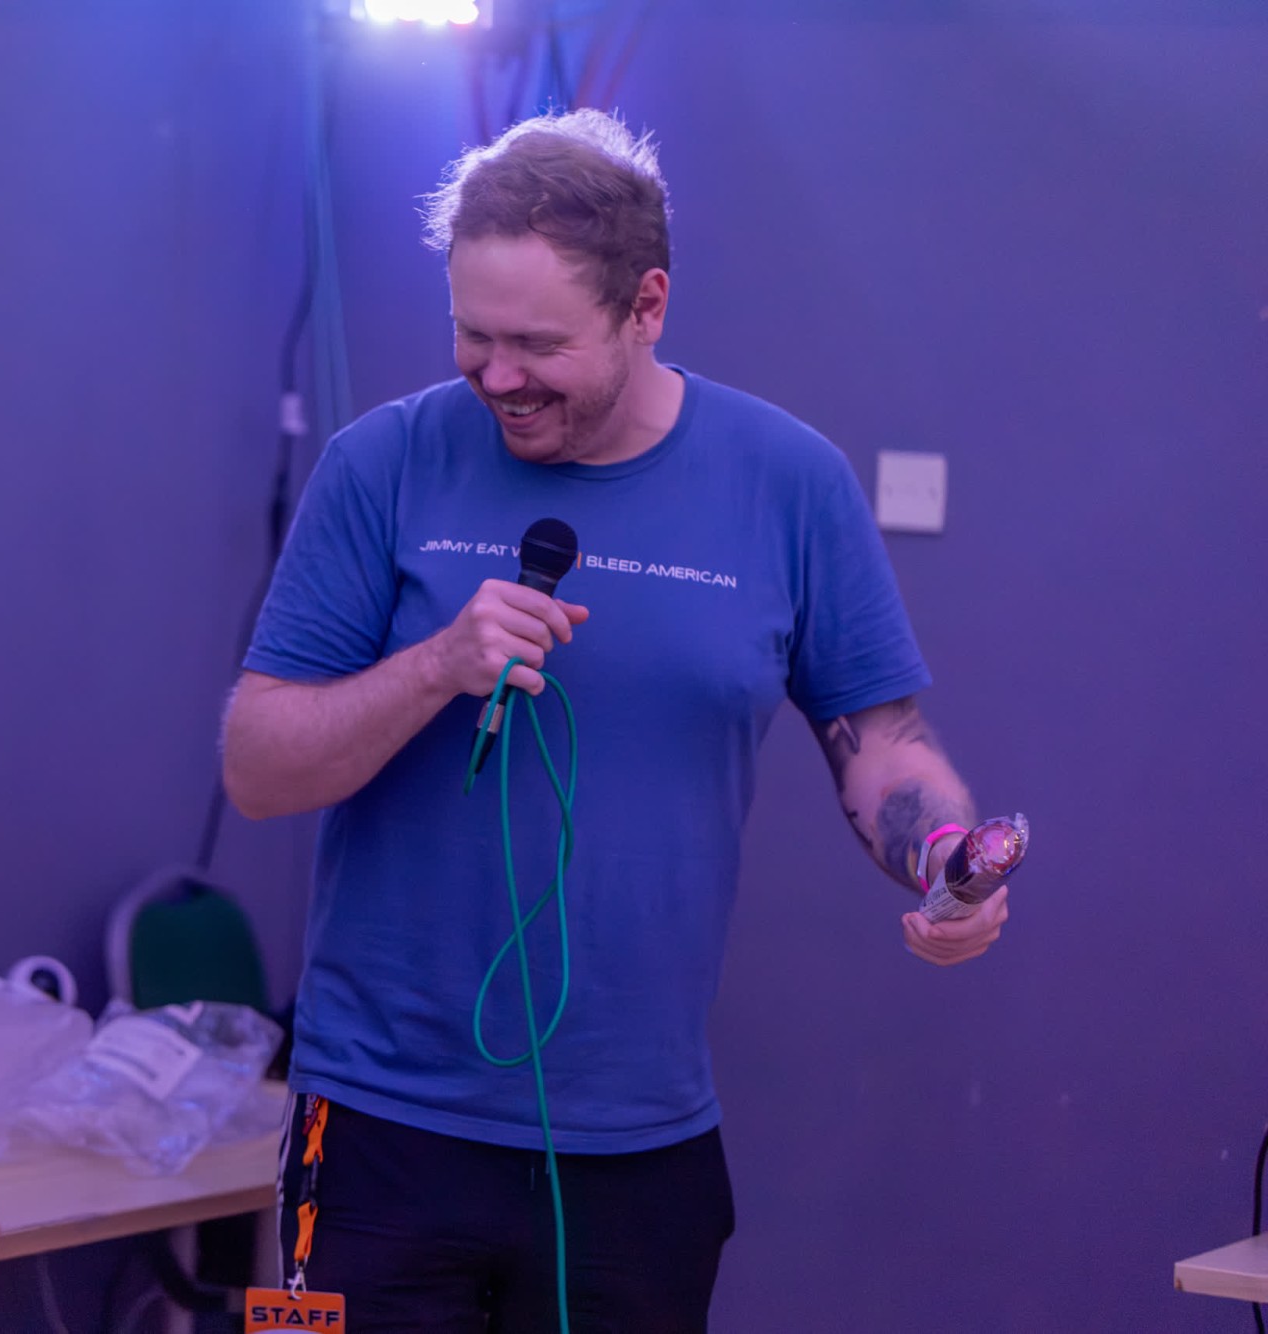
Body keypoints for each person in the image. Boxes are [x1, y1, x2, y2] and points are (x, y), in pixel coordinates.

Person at [221, 109, 1012, 1333]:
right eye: (471, 335)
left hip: (636, 1145)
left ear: (646, 305)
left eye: (537, 343)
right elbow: (256, 766)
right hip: (376, 1125)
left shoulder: (785, 481)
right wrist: (435, 664)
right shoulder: (380, 463)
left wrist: (945, 860)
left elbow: (882, 742)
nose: (496, 376)